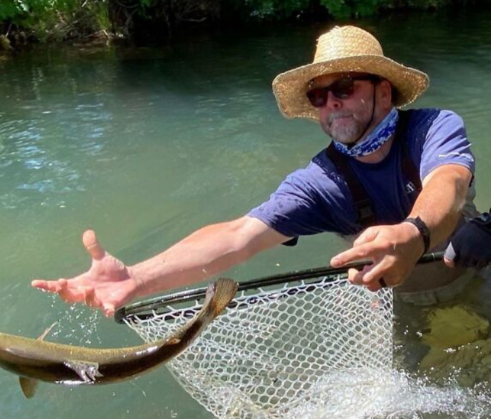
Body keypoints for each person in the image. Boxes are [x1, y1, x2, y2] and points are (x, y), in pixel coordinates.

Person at [33, 25, 477, 316]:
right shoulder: (321, 182)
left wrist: (414, 232)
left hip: (474, 273)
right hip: (400, 303)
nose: (331, 103)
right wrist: (137, 277)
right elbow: (236, 237)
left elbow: (450, 184)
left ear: (385, 91)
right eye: (319, 96)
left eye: (343, 87)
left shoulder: (433, 127)